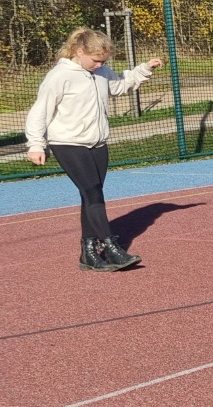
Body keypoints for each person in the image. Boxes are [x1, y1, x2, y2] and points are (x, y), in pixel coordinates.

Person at [24, 27, 159, 271]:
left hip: (97, 143)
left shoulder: (101, 72)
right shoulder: (59, 76)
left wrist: (144, 69)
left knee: (91, 196)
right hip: (67, 143)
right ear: (79, 52)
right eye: (96, 60)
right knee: (93, 192)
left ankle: (88, 253)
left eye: (103, 61)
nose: (99, 65)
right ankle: (110, 246)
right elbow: (39, 111)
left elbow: (119, 85)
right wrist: (36, 144)